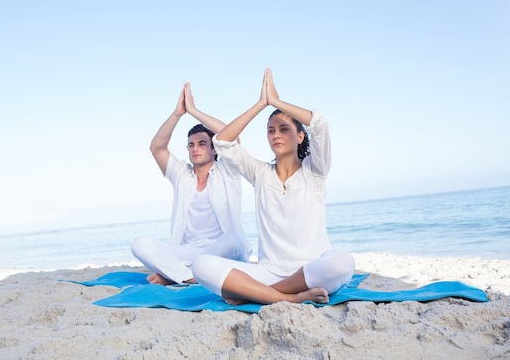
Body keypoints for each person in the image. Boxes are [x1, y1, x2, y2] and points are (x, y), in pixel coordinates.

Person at [192, 68, 355, 305]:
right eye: (271, 131)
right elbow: (222, 141)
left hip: (312, 270)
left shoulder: (315, 171)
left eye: (284, 129)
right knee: (201, 264)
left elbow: (319, 124)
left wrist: (276, 102)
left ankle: (261, 294)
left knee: (341, 262)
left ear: (300, 136)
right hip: (268, 272)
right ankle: (289, 298)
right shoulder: (260, 174)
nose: (276, 135)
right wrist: (261, 104)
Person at [131, 82, 252, 285]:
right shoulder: (181, 175)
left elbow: (233, 136)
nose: (195, 148)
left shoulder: (227, 171)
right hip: (186, 252)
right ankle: (188, 276)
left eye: (202, 144)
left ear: (214, 150)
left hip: (221, 250)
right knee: (139, 244)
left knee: (234, 240)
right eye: (191, 145)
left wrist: (193, 111)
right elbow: (157, 148)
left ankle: (175, 275)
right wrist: (177, 114)